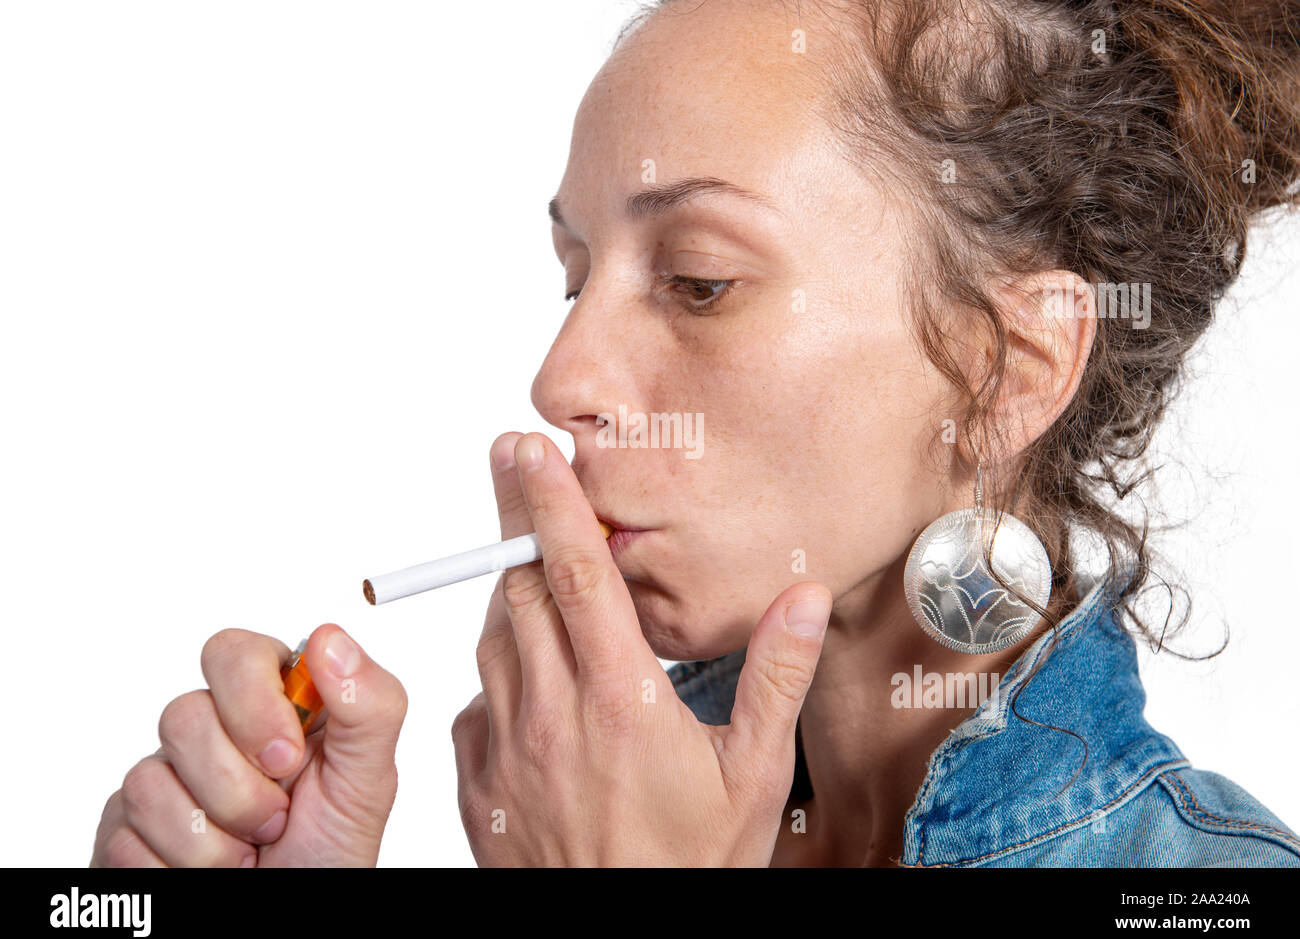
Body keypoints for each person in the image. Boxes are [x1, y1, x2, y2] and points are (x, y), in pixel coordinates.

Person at [92, 0, 1300, 867]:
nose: (561, 377)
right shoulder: (575, 808)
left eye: (700, 280)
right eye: (576, 278)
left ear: (1005, 369)